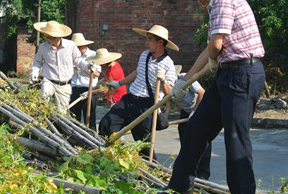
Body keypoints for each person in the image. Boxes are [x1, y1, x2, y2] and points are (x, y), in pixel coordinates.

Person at [166, 0, 266, 194]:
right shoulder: (215, 3)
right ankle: (180, 188)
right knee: (196, 128)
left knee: (235, 139)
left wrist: (214, 55)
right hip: (227, 74)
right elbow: (211, 48)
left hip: (243, 74)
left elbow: (216, 46)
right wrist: (184, 79)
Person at [99, 25, 178, 159]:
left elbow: (169, 93)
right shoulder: (145, 55)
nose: (146, 42)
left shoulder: (168, 64)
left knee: (144, 148)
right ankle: (115, 157)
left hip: (147, 107)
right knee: (106, 124)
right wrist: (119, 83)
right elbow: (138, 73)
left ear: (160, 42)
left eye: (149, 39)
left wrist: (163, 79)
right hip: (129, 100)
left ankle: (152, 172)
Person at [30, 21, 94, 115]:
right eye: (45, 36)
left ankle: (56, 128)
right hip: (49, 81)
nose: (46, 39)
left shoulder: (70, 46)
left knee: (62, 112)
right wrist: (34, 72)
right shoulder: (43, 47)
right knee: (43, 98)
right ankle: (40, 118)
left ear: (57, 37)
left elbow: (78, 61)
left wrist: (87, 65)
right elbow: (37, 61)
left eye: (48, 37)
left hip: (64, 85)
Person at [173, 71, 210, 180]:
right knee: (185, 141)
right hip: (185, 112)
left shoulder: (185, 78)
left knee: (202, 142)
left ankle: (203, 174)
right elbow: (168, 100)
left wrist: (195, 111)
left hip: (200, 108)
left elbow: (202, 93)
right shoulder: (167, 85)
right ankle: (188, 172)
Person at [69, 33, 101, 129]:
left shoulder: (93, 55)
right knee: (74, 117)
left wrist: (84, 67)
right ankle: (75, 137)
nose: (77, 50)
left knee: (90, 117)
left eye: (78, 47)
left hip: (89, 89)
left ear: (83, 46)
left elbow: (97, 74)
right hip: (74, 88)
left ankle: (92, 137)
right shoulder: (70, 55)